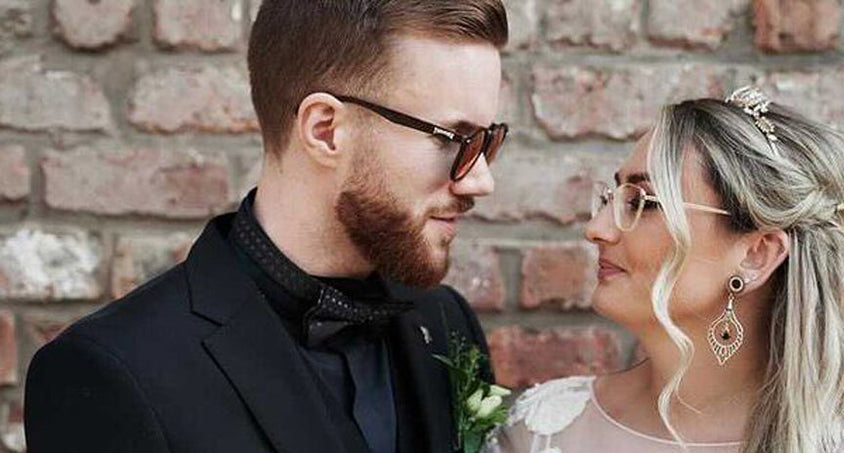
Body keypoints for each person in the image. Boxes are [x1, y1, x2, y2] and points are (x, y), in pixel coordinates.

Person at [24, 2, 508, 452]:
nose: (481, 181)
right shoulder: (113, 371)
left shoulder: (445, 322)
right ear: (325, 130)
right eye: (455, 140)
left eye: (488, 140)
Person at [495, 87, 844, 453]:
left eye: (644, 203)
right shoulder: (545, 428)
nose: (597, 229)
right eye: (611, 198)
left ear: (757, 254)